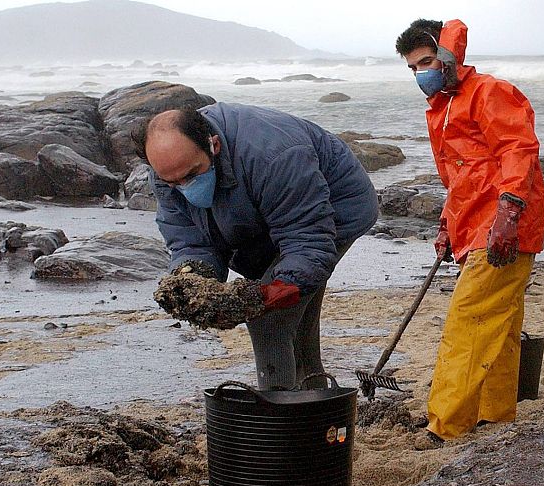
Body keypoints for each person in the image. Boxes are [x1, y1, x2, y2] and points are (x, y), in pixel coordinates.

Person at [133, 104, 378, 390]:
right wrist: (191, 279)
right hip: (259, 217)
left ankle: (278, 418)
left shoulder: (272, 154)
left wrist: (266, 296)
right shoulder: (168, 172)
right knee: (294, 322)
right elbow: (190, 240)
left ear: (214, 144)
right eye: (173, 182)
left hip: (334, 210)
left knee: (270, 319)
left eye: (192, 174)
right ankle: (312, 402)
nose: (184, 187)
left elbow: (307, 240)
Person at [395, 19, 544, 444]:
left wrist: (509, 214)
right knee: (500, 318)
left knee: (470, 318)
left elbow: (518, 151)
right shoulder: (441, 109)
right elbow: (458, 178)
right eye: (412, 68)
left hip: (502, 224)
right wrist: (447, 224)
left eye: (425, 61)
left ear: (447, 55)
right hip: (475, 221)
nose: (420, 73)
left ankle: (446, 424)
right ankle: (494, 412)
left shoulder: (490, 92)